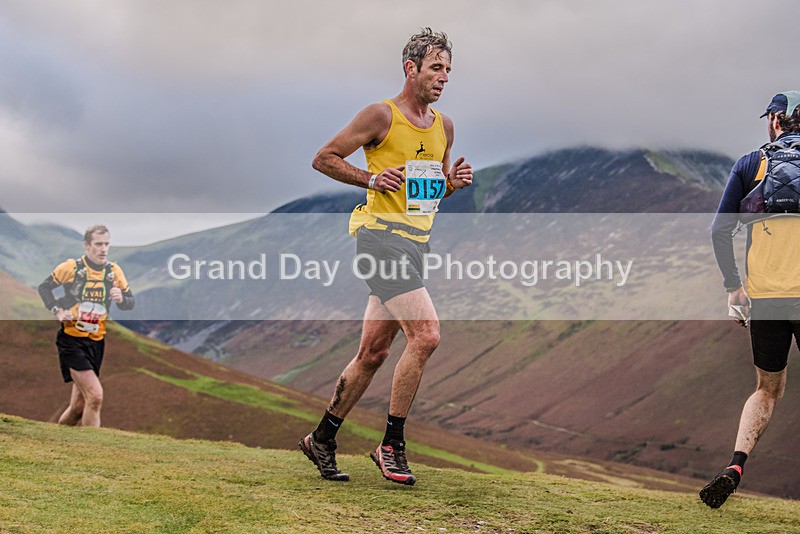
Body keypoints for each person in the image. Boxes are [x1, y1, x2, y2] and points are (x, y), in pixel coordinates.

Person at [299, 28, 473, 485]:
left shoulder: (444, 127)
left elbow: (425, 196)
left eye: (448, 70)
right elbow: (324, 158)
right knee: (428, 335)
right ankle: (391, 444)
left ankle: (321, 438)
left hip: (414, 245)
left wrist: (451, 184)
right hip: (378, 240)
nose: (444, 78)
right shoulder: (381, 114)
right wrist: (371, 180)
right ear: (410, 68)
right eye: (436, 68)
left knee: (373, 353)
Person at [702, 91, 800, 508]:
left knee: (767, 388)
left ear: (777, 120)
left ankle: (735, 466)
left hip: (768, 297)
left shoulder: (751, 164)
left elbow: (719, 231)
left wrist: (733, 288)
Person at [37, 225, 135, 428]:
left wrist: (121, 298)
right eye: (98, 244)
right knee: (96, 396)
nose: (104, 249)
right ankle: (92, 452)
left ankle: (56, 437)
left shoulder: (114, 272)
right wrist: (57, 310)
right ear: (87, 245)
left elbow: (130, 302)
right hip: (71, 341)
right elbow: (44, 287)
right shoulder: (71, 268)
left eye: (107, 244)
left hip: (97, 342)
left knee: (79, 407)